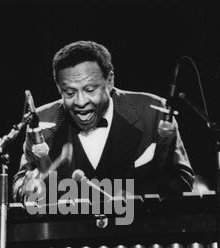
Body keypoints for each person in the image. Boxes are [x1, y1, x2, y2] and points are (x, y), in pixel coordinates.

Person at [13, 40, 194, 203]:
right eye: (69, 93)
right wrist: (27, 189)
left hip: (138, 233)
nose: (80, 102)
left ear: (109, 81)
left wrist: (137, 201)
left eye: (90, 89)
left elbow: (181, 177)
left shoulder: (153, 113)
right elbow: (22, 182)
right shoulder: (42, 122)